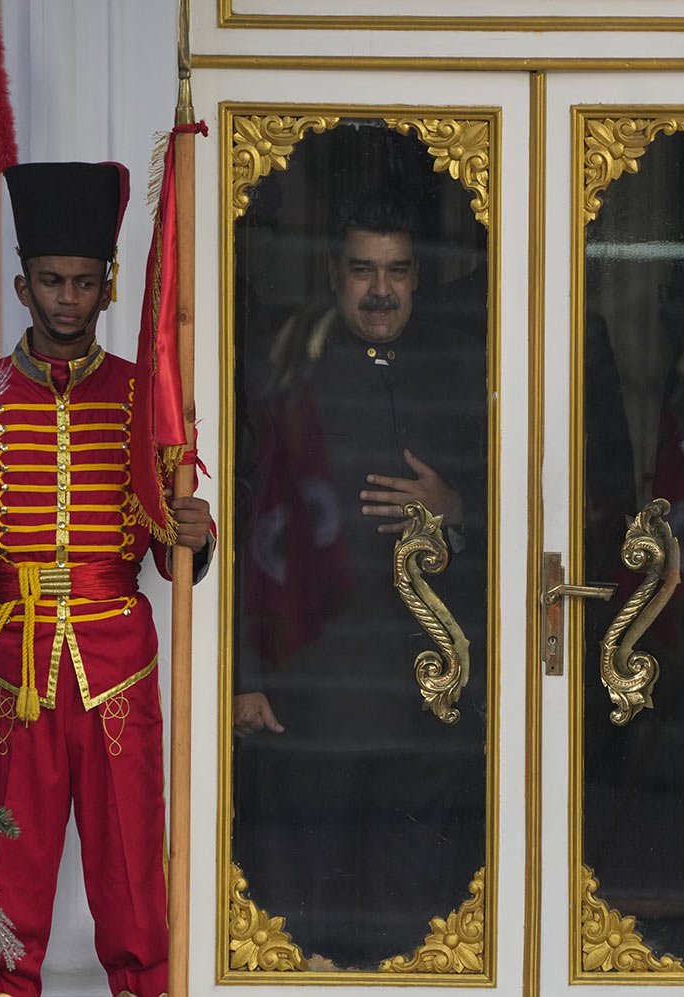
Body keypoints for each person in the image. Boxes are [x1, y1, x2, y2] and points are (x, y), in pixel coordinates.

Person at [0, 160, 214, 997]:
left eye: (85, 282)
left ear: (108, 285)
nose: (68, 298)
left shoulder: (146, 398)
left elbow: (171, 545)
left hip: (121, 662)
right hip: (16, 666)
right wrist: (18, 578)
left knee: (131, 870)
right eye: (52, 280)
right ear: (23, 280)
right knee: (6, 862)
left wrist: (200, 532)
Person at [230, 188, 488, 967]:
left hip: (426, 689)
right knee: (311, 908)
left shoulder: (459, 376)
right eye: (363, 271)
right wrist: (241, 674)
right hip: (314, 687)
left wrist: (454, 507)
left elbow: (530, 520)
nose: (381, 290)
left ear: (417, 279)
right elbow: (247, 532)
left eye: (398, 272)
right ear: (334, 276)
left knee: (412, 908)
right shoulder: (284, 376)